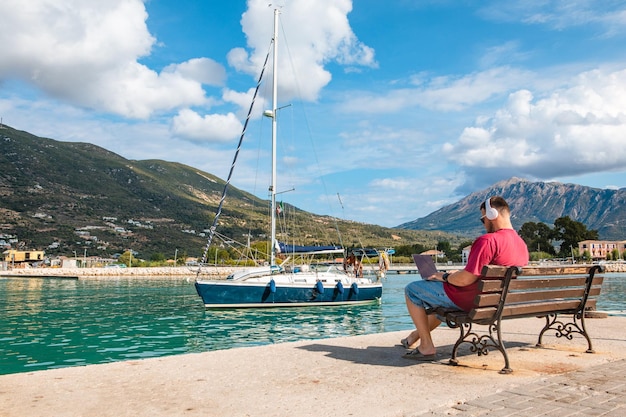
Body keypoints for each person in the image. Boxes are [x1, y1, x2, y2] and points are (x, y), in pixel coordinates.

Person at [401, 196, 529, 360]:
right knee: (435, 299)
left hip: (471, 302)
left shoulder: (488, 241)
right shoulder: (521, 244)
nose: (483, 223)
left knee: (412, 290)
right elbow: (476, 274)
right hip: (495, 302)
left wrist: (444, 276)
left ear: (492, 215)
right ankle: (413, 337)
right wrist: (457, 273)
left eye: (483, 219)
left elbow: (465, 280)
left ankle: (426, 346)